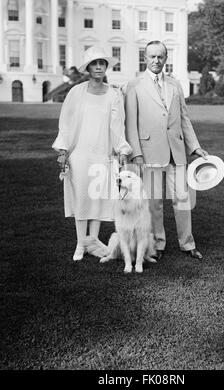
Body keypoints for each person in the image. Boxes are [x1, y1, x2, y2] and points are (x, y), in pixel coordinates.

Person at [125, 40, 208, 261]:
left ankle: (187, 244)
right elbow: (130, 124)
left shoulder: (175, 84)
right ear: (145, 58)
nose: (156, 60)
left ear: (166, 59)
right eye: (152, 56)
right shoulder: (133, 86)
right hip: (148, 150)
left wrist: (195, 147)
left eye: (160, 56)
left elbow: (184, 119)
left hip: (177, 150)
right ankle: (158, 244)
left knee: (182, 199)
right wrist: (137, 153)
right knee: (154, 202)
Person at [52, 46, 132, 261]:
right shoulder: (76, 92)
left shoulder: (114, 94)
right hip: (79, 155)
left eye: (102, 63)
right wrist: (63, 149)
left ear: (106, 67)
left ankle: (93, 243)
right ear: (87, 68)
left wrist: (122, 149)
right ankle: (80, 244)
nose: (98, 67)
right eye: (94, 64)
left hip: (102, 155)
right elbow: (66, 123)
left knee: (97, 200)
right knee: (82, 200)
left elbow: (118, 126)